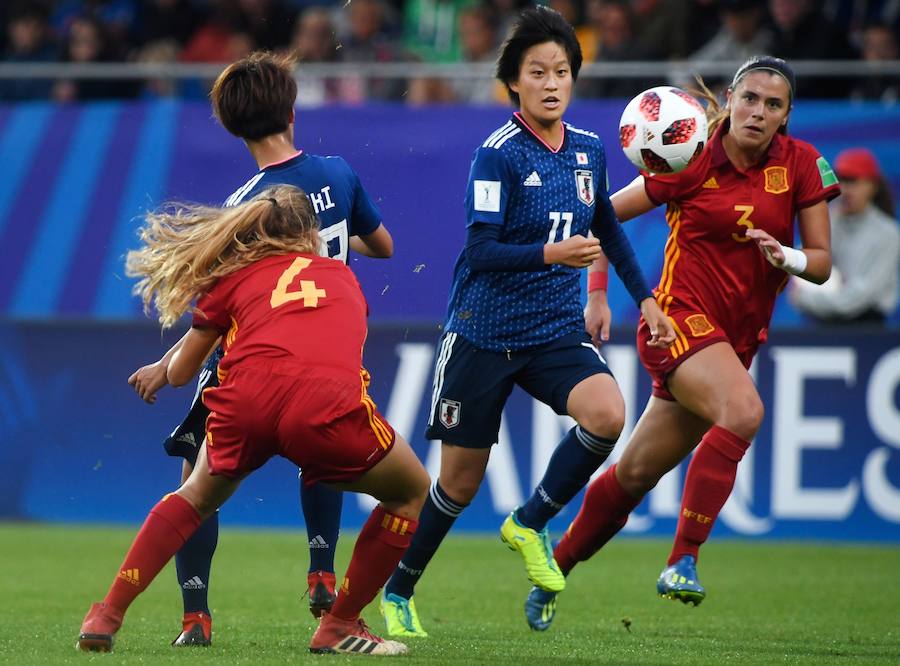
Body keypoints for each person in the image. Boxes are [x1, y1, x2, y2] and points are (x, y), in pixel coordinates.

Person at [378, 6, 675, 638]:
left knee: (608, 415)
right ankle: (399, 589)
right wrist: (551, 253)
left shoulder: (590, 152)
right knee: (457, 482)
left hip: (553, 329)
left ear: (573, 79)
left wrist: (644, 299)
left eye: (561, 71)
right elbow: (480, 251)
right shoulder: (497, 156)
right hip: (483, 333)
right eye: (536, 71)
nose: (550, 83)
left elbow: (609, 232)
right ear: (513, 81)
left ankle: (531, 520)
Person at [524, 55, 840, 631]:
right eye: (750, 98)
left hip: (734, 340)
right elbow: (600, 217)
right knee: (744, 412)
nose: (758, 112)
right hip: (675, 321)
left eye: (774, 105)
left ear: (786, 116)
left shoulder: (801, 166)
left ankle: (555, 567)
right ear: (731, 98)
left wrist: (787, 256)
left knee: (637, 473)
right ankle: (682, 560)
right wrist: (597, 295)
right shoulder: (691, 155)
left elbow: (820, 265)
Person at [76, 185, 429, 656]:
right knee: (410, 492)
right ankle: (339, 623)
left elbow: (183, 374)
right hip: (322, 408)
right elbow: (332, 356)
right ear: (313, 234)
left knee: (196, 495)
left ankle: (106, 614)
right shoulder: (344, 280)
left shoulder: (231, 280)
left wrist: (163, 370)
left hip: (247, 402)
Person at [126, 51, 394, 646]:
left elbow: (218, 310)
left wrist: (167, 367)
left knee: (194, 478)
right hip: (327, 348)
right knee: (321, 453)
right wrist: (336, 241)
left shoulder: (244, 205)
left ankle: (195, 617)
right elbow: (385, 245)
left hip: (251, 362)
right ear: (293, 112)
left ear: (230, 125)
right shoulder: (340, 174)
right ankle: (322, 568)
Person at [791, 147, 900, 324]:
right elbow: (803, 268)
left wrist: (809, 299)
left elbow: (862, 295)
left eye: (853, 181)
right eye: (840, 180)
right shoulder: (826, 222)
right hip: (822, 325)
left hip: (868, 329)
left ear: (872, 186)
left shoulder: (888, 233)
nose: (845, 189)